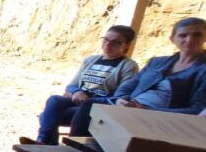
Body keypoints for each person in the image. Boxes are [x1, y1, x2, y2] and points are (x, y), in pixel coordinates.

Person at [70, 17, 206, 136]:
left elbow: (197, 110)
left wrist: (147, 110)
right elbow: (129, 86)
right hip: (129, 107)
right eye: (183, 35)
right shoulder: (157, 62)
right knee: (90, 104)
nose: (189, 40)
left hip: (160, 117)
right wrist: (120, 100)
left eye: (197, 35)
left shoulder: (202, 70)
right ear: (172, 39)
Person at [20, 25, 139, 145]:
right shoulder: (90, 60)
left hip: (95, 108)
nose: (108, 45)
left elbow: (120, 97)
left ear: (127, 45)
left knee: (48, 116)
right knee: (54, 100)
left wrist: (90, 100)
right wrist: (76, 92)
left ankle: (53, 144)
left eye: (116, 43)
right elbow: (71, 85)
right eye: (105, 39)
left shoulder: (128, 66)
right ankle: (43, 141)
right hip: (77, 101)